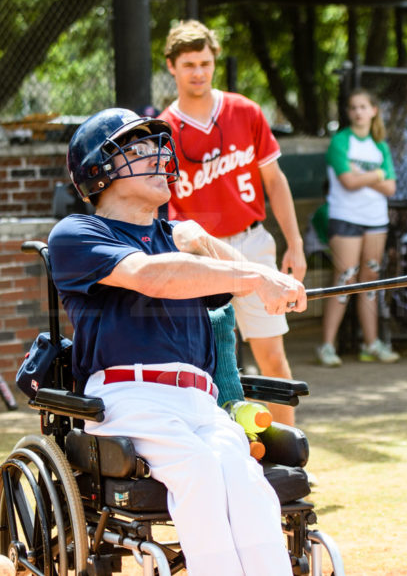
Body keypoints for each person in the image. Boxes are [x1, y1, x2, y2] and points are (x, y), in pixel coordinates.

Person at [50, 107, 304, 576]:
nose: (158, 157)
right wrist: (254, 275)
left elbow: (230, 282)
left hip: (199, 401)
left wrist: (204, 239)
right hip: (128, 397)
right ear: (98, 171)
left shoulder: (181, 240)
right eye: (138, 151)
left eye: (158, 149)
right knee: (200, 473)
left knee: (248, 483)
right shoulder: (79, 233)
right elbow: (152, 276)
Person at [159, 20, 305, 426]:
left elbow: (274, 181)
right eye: (188, 64)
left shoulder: (245, 111)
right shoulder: (161, 129)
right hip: (197, 254)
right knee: (201, 366)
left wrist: (294, 241)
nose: (198, 72)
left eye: (205, 62)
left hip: (252, 242)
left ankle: (289, 457)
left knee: (271, 356)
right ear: (171, 66)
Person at [316, 89, 399, 367]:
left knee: (370, 282)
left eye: (364, 106)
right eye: (353, 107)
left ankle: (371, 343)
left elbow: (390, 186)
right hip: (345, 217)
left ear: (374, 110)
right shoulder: (340, 141)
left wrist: (365, 174)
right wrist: (376, 174)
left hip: (376, 221)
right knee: (345, 278)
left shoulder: (380, 145)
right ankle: (327, 346)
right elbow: (347, 182)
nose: (358, 112)